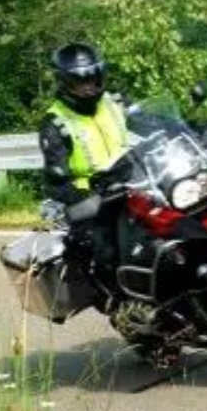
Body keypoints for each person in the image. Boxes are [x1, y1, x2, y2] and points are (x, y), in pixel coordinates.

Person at [38, 42, 133, 292]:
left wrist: (197, 128)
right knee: (106, 248)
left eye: (93, 78)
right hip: (94, 199)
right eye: (80, 82)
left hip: (134, 181)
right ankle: (124, 299)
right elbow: (56, 177)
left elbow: (154, 122)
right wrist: (85, 199)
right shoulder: (55, 122)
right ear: (64, 82)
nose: (88, 86)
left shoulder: (116, 102)